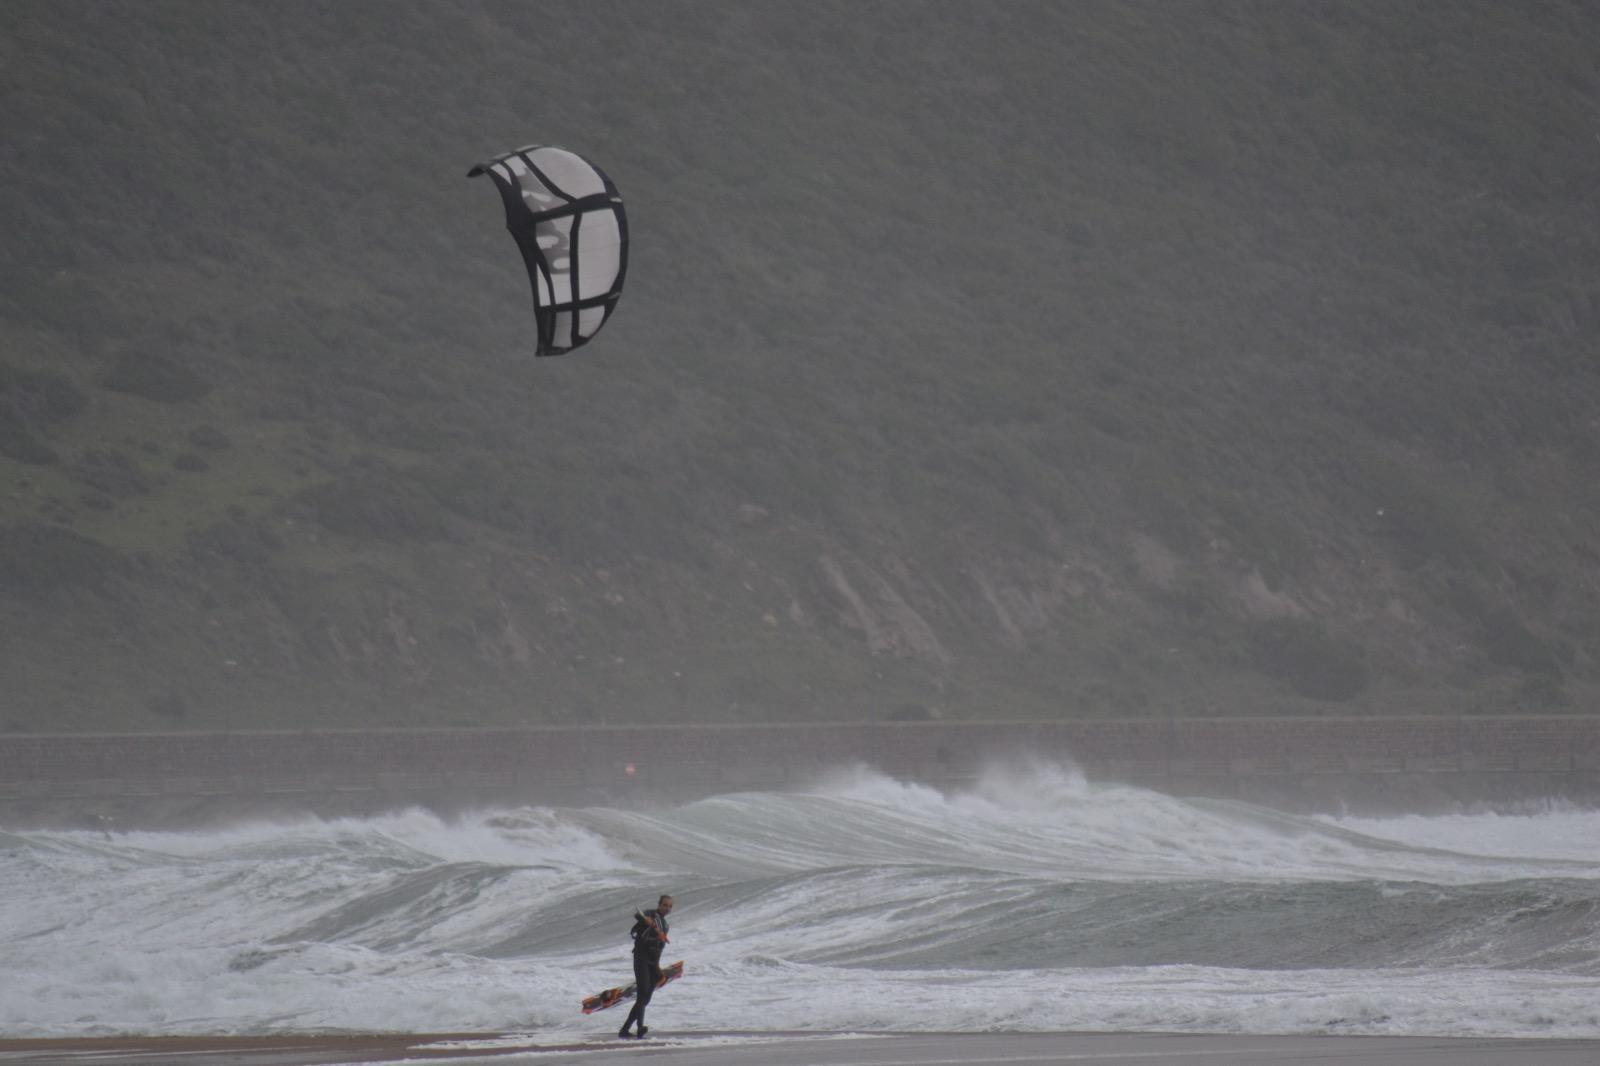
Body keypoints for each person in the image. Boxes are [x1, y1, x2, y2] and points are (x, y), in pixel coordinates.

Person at [618, 893, 673, 1039]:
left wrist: (657, 967)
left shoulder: (665, 926)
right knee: (642, 994)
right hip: (641, 957)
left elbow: (660, 947)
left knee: (646, 998)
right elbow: (637, 915)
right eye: (664, 905)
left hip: (652, 961)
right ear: (659, 905)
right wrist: (646, 920)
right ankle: (640, 1027)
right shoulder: (651, 914)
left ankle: (624, 1030)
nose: (666, 908)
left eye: (669, 906)